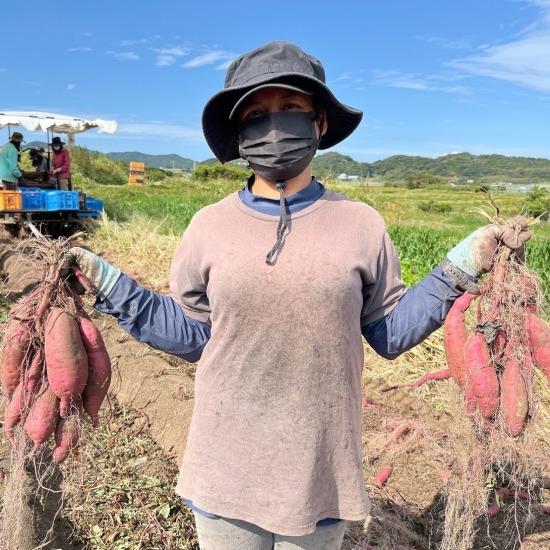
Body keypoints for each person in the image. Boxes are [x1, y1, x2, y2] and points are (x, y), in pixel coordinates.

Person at [66, 42, 530, 549]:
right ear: (240, 133)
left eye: (290, 110)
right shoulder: (209, 226)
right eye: (256, 114)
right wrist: (114, 288)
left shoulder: (360, 224)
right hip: (226, 465)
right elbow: (195, 332)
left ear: (320, 123)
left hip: (320, 468)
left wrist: (456, 270)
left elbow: (390, 333)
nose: (273, 126)